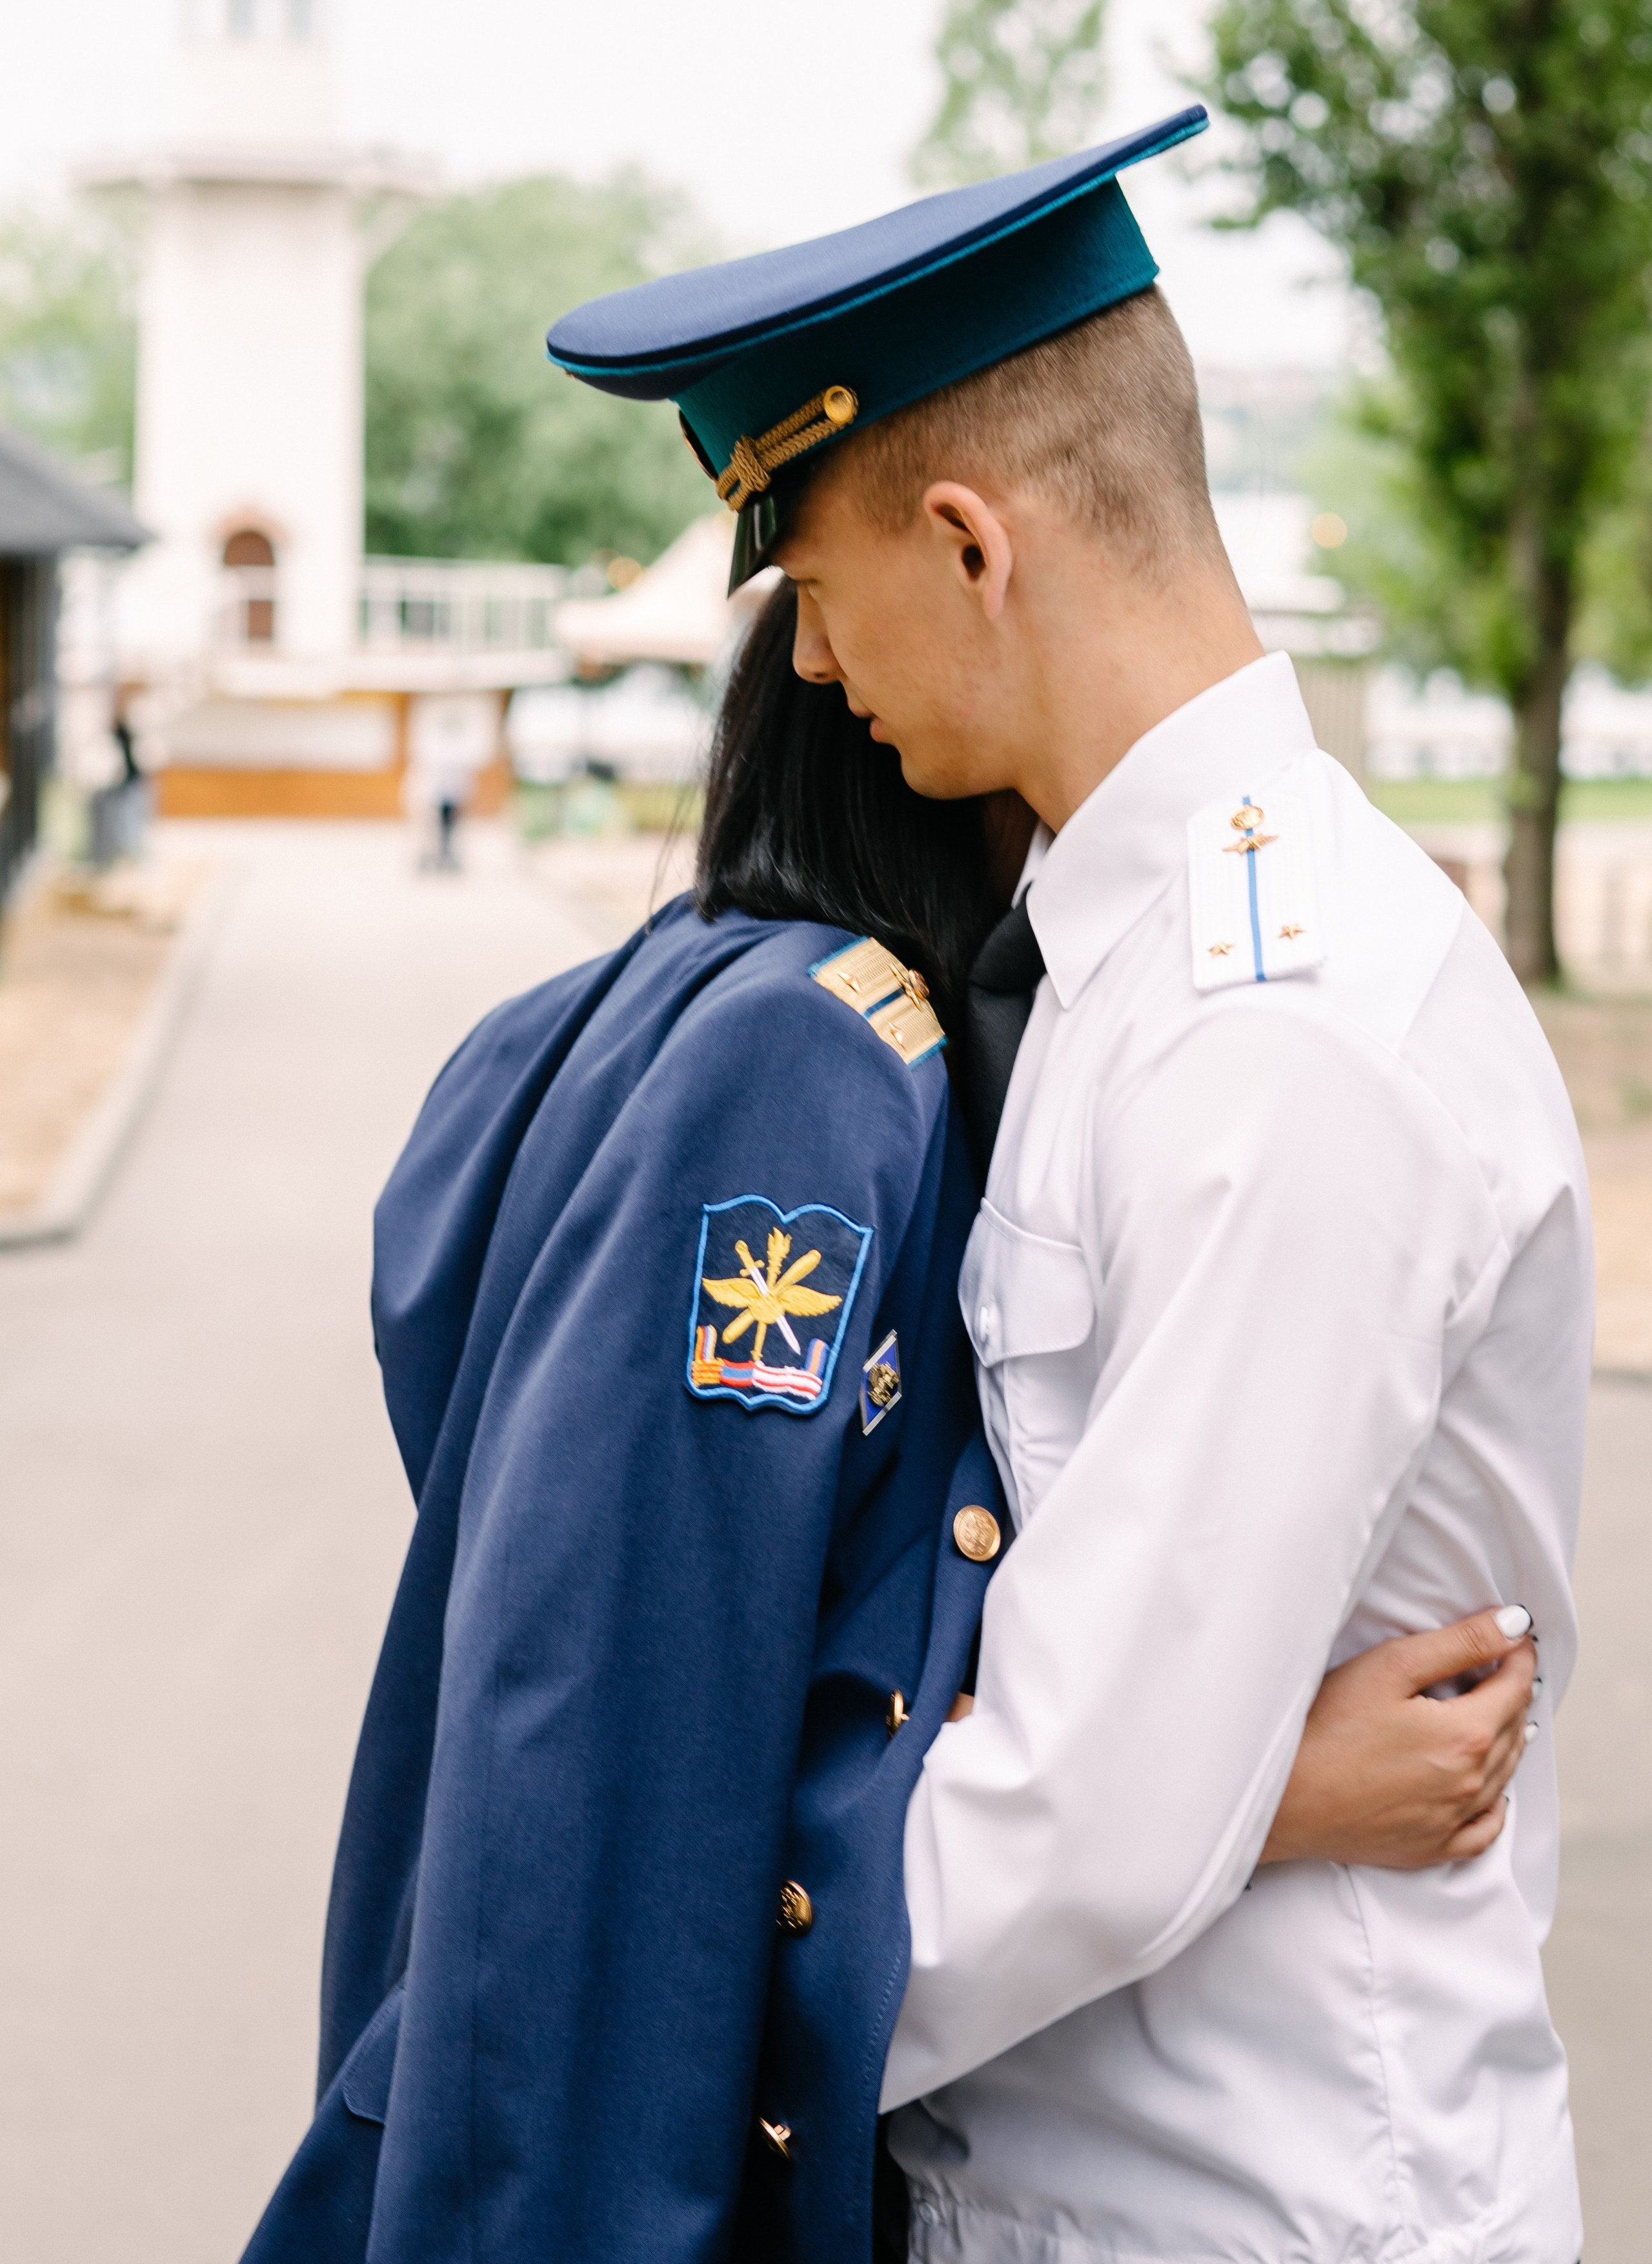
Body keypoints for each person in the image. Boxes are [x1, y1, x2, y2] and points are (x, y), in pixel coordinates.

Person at [547, 108, 1587, 2264]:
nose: (812, 672)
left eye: (814, 592)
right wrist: (1266, 1788)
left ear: (971, 544)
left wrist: (631, 2022)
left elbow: (1088, 1813)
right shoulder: (1124, 959)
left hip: (1249, 2210)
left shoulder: (1272, 1033)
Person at [239, 573, 1540, 2264]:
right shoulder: (816, 1060)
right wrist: (1264, 1793)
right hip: (609, 2152)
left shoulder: (673, 992)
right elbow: (645, 1749)